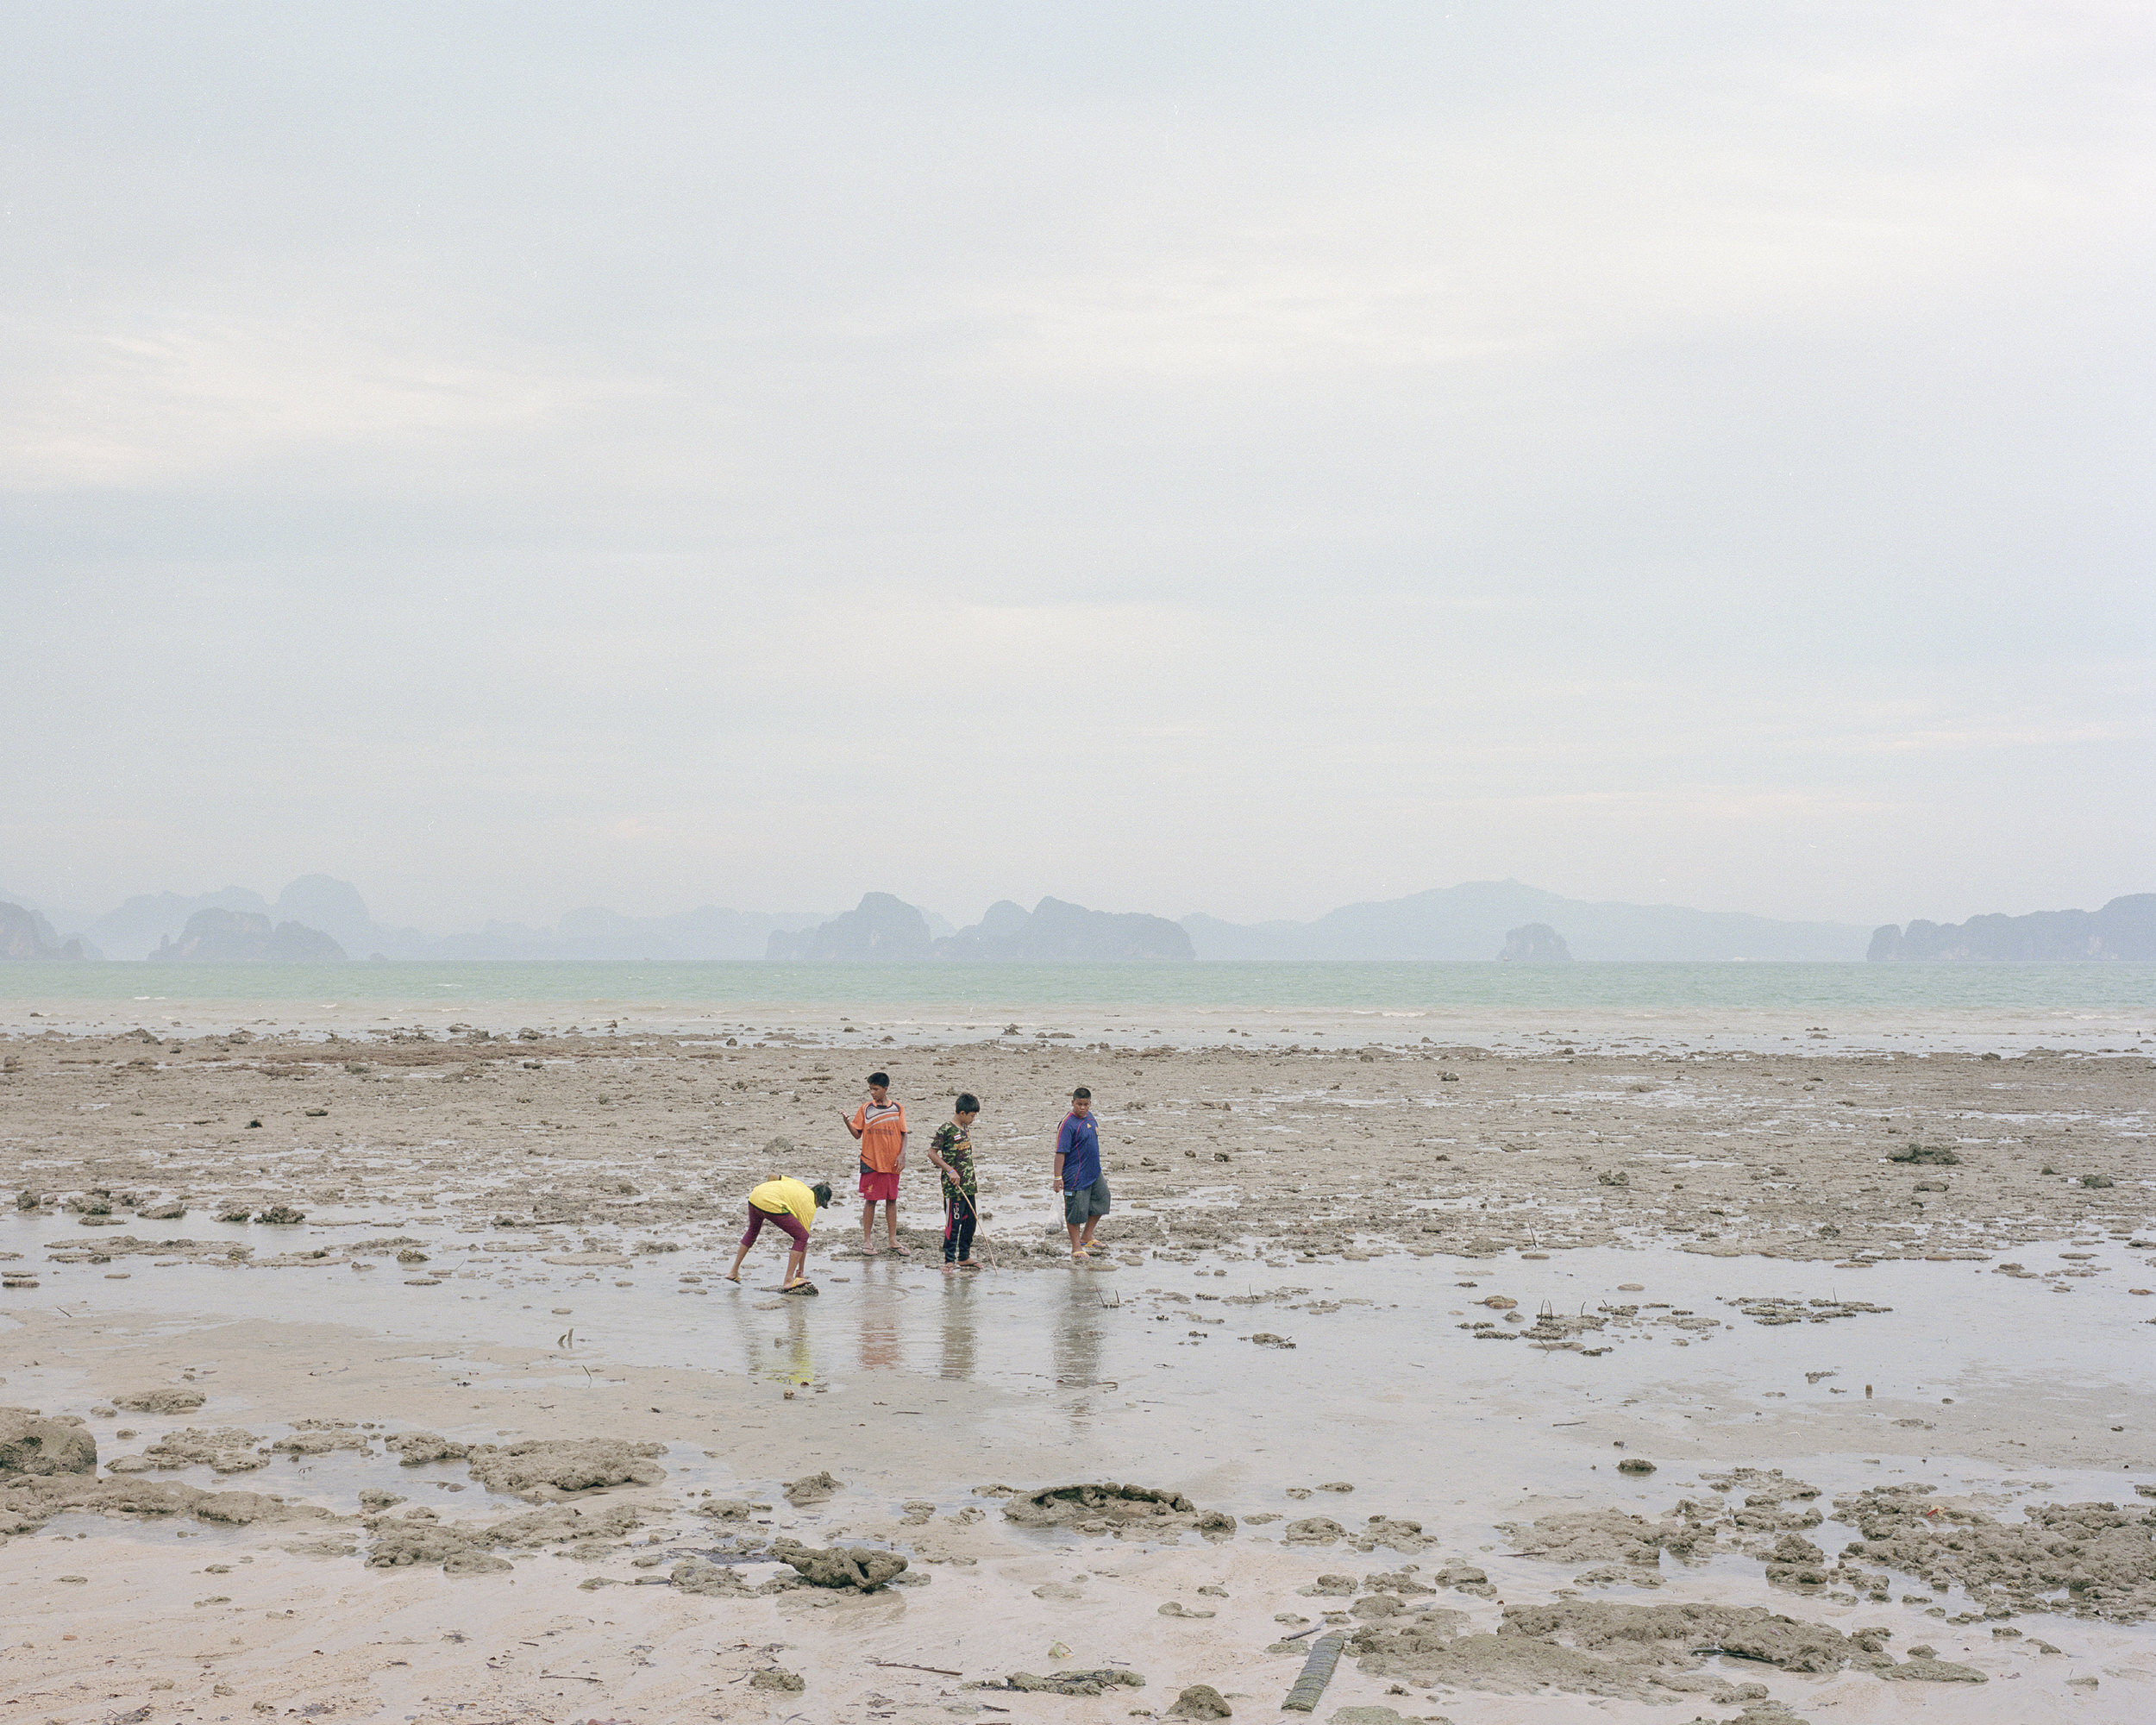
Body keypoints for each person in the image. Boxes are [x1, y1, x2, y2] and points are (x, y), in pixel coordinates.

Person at [725, 1175, 831, 1293]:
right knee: (802, 1236)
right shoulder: (810, 1206)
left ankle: (733, 1271)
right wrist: (800, 1272)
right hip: (771, 1204)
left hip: (755, 1196)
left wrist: (768, 1191)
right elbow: (803, 1241)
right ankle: (788, 1280)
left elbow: (772, 1176)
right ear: (822, 1201)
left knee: (753, 1231)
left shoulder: (799, 1184)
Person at [845, 1070, 909, 1254]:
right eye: (870, 1089)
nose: (872, 1092)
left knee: (892, 1199)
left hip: (892, 1163)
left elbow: (904, 1134)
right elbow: (857, 1134)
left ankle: (892, 1240)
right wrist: (847, 1122)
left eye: (876, 1089)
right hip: (871, 1161)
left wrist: (902, 1155)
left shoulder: (897, 1108)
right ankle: (867, 1241)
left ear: (885, 1089)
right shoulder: (865, 1109)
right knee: (871, 1200)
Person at [927, 1092, 982, 1274]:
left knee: (970, 1222)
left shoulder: (965, 1129)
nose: (973, 1119)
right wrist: (950, 1170)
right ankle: (949, 1259)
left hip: (969, 1185)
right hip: (953, 1188)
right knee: (954, 1223)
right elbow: (932, 1153)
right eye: (972, 1116)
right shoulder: (946, 1129)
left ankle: (964, 1256)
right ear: (962, 1113)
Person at [1054, 1085, 1109, 1259]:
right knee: (1076, 1211)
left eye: (1086, 1104)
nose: (1083, 1108)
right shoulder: (1067, 1124)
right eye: (1079, 1104)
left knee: (1103, 1199)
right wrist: (1057, 1177)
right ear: (1073, 1103)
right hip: (1075, 1174)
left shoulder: (1090, 1118)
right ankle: (1076, 1247)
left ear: (1090, 1104)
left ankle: (1087, 1236)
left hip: (1094, 1172)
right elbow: (1060, 1153)